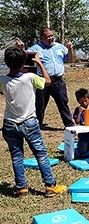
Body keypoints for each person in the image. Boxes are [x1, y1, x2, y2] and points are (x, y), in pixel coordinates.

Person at [0, 47, 67, 197]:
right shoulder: (30, 77)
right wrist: (39, 63)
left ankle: (21, 188)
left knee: (16, 155)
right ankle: (50, 186)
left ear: (6, 62)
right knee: (41, 154)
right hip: (29, 122)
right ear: (24, 62)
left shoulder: (3, 80)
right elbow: (48, 81)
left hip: (10, 123)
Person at [16, 27, 75, 129]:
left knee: (63, 104)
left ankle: (69, 125)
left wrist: (70, 49)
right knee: (40, 105)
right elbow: (25, 60)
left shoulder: (60, 47)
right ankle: (37, 125)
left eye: (52, 36)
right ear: (42, 38)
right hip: (42, 81)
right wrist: (22, 48)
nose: (51, 38)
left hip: (58, 81)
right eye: (48, 37)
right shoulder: (36, 48)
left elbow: (70, 60)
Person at [73, 88, 89, 156]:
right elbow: (77, 122)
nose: (84, 103)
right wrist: (79, 113)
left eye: (85, 101)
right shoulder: (78, 109)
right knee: (82, 152)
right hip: (83, 137)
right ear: (78, 102)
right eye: (81, 102)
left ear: (88, 99)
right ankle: (80, 145)